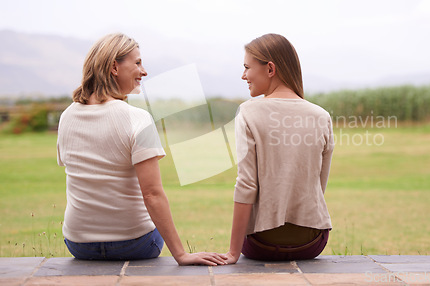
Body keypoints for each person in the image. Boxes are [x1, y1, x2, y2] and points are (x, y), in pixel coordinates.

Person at [57, 33, 226, 265]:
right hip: (134, 243)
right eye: (137, 63)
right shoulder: (137, 118)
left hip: (79, 244)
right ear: (114, 67)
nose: (144, 71)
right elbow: (152, 194)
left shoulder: (67, 116)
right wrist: (181, 255)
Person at [223, 33, 334, 263]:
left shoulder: (248, 112)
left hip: (262, 243)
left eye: (247, 67)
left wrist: (233, 253)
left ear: (270, 69)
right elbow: (318, 187)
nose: (243, 76)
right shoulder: (321, 116)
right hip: (313, 241)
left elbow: (246, 184)